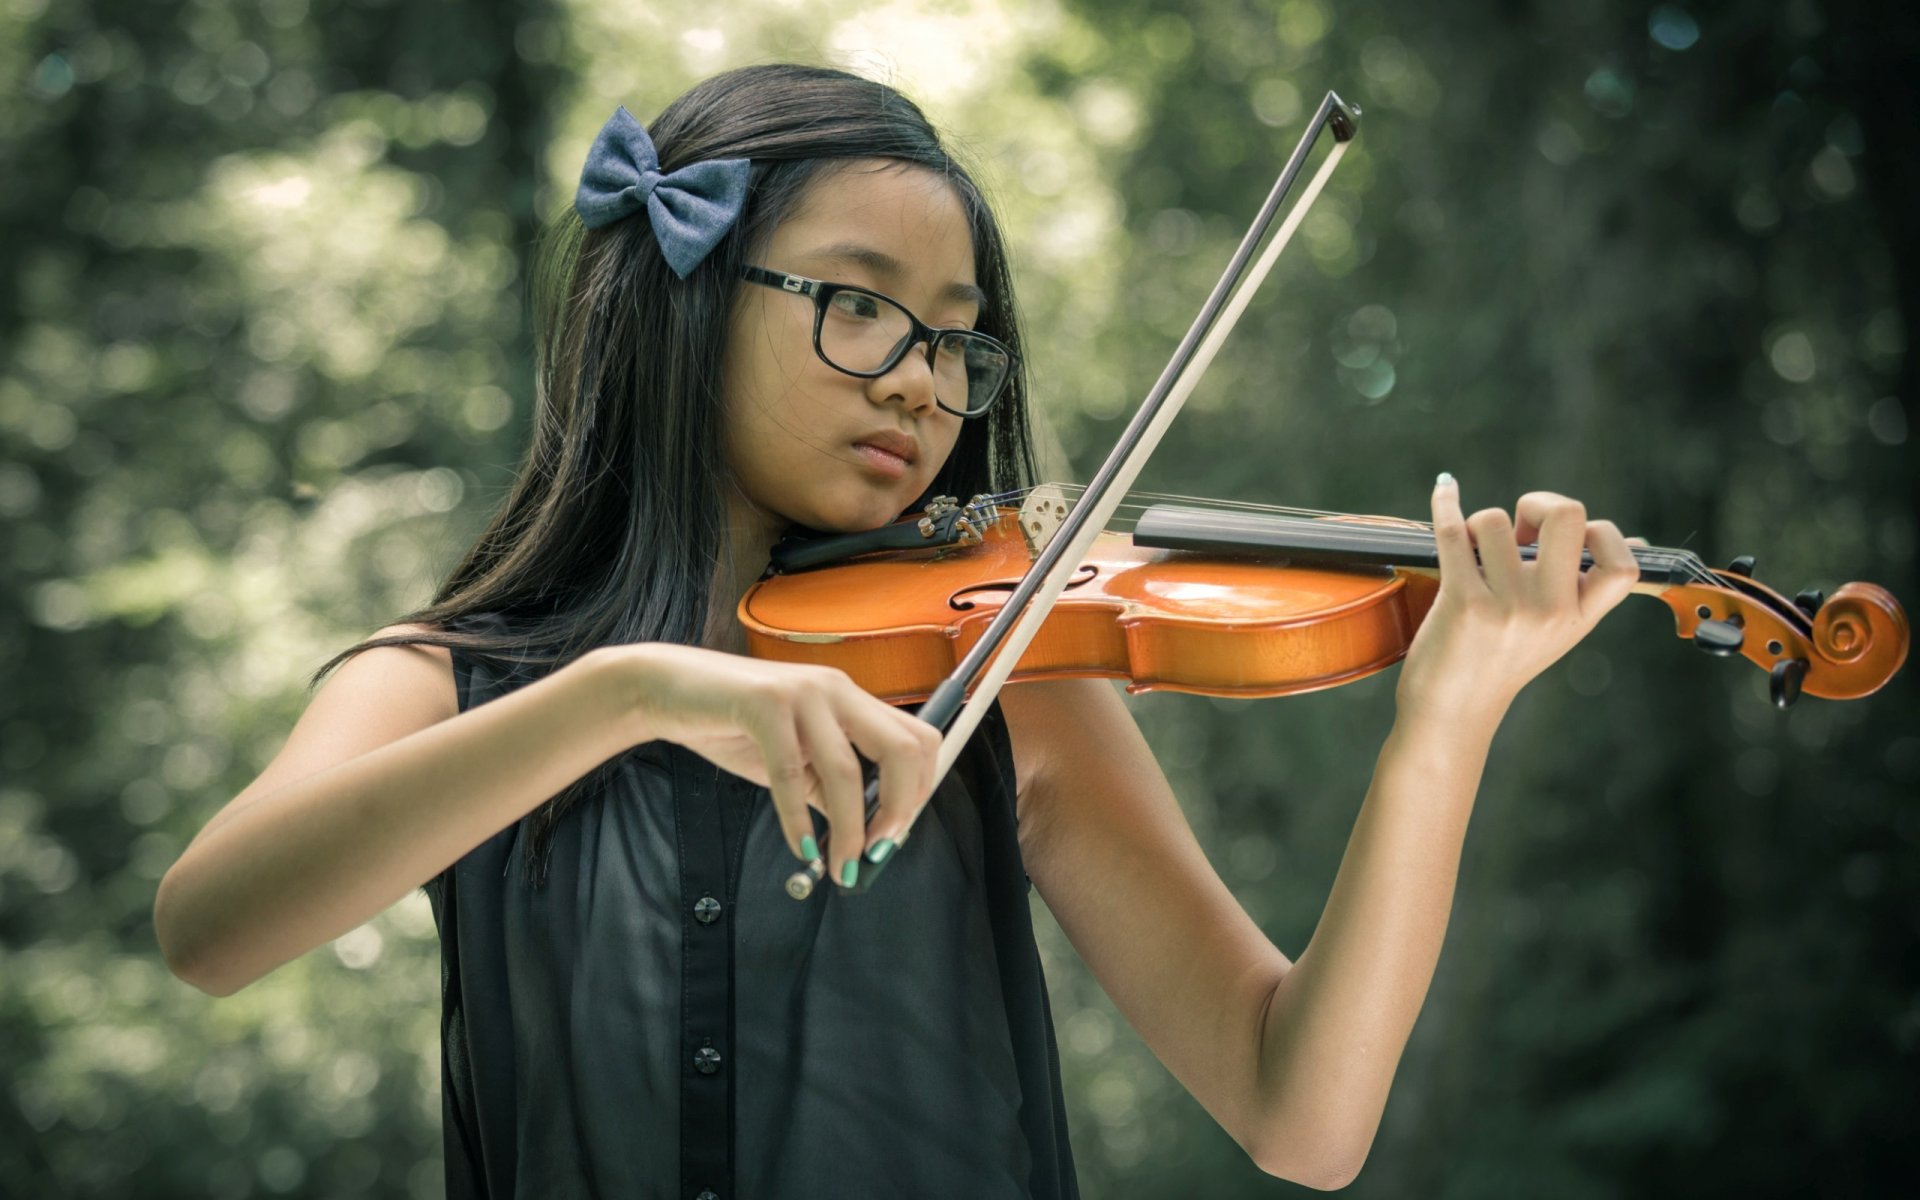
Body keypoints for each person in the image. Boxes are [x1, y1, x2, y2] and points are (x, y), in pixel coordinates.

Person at [153, 63, 1642, 1197]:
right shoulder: (453, 685)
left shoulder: (1006, 689)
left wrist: (1444, 723)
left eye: (953, 336)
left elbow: (1299, 1113)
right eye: (859, 309)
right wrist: (625, 695)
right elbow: (209, 930)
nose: (923, 383)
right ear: (679, 301)